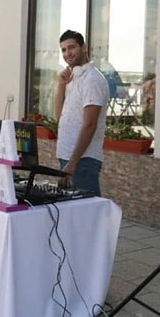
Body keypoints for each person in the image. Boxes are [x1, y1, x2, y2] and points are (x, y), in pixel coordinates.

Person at [55, 30, 109, 195]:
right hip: (68, 157)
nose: (67, 53)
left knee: (88, 209)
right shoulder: (74, 78)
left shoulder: (92, 80)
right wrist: (61, 85)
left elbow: (90, 125)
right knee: (72, 209)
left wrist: (73, 162)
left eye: (72, 47)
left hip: (82, 161)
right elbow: (60, 118)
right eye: (64, 50)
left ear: (84, 48)